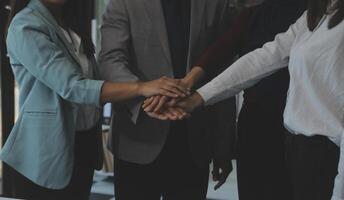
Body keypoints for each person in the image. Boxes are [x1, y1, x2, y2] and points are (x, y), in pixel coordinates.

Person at [1, 0, 188, 199]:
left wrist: (151, 99)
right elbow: (73, 86)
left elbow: (95, 82)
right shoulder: (25, 25)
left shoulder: (70, 24)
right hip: (46, 150)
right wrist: (142, 88)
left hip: (83, 144)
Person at [161, 0, 344, 199]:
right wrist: (198, 97)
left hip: (330, 154)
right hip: (299, 151)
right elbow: (264, 57)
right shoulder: (319, 11)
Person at [99, 0, 237, 199]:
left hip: (194, 142)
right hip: (137, 139)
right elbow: (110, 61)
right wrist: (145, 99)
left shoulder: (216, 4)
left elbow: (223, 69)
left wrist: (223, 146)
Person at [185, 0, 306, 199]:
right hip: (257, 125)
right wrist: (192, 87)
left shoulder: (316, 13)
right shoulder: (254, 15)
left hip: (298, 129)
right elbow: (231, 53)